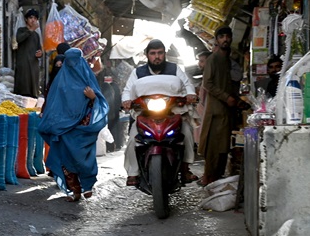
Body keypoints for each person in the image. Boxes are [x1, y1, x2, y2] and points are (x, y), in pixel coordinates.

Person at [122, 39, 198, 186]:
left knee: (186, 131)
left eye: (160, 53)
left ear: (165, 54)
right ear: (147, 55)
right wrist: (126, 101)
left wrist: (190, 94)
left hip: (171, 112)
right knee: (133, 137)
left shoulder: (175, 69)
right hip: (145, 113)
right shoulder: (137, 72)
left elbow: (187, 85)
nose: (157, 57)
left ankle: (185, 168)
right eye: (153, 53)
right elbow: (127, 90)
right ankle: (133, 173)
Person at [39, 47, 108, 202]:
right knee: (66, 160)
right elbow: (53, 102)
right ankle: (75, 191)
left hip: (83, 127)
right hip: (65, 127)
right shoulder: (60, 81)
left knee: (84, 158)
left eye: (75, 61)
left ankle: (88, 185)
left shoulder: (88, 79)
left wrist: (92, 97)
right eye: (69, 61)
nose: (73, 64)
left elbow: (100, 100)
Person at [198, 26, 242, 186]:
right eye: (221, 37)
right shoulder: (213, 59)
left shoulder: (227, 60)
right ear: (217, 40)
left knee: (223, 148)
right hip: (216, 111)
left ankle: (217, 181)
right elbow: (207, 83)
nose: (225, 39)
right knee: (213, 149)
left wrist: (235, 99)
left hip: (227, 111)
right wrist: (226, 97)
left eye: (227, 36)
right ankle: (210, 180)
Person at [14, 8, 43, 98]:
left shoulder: (36, 35)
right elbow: (19, 39)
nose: (33, 20)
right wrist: (30, 30)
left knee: (33, 91)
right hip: (23, 64)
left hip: (34, 65)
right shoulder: (21, 30)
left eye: (35, 18)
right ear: (26, 19)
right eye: (31, 18)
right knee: (23, 88)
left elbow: (39, 49)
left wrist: (40, 53)